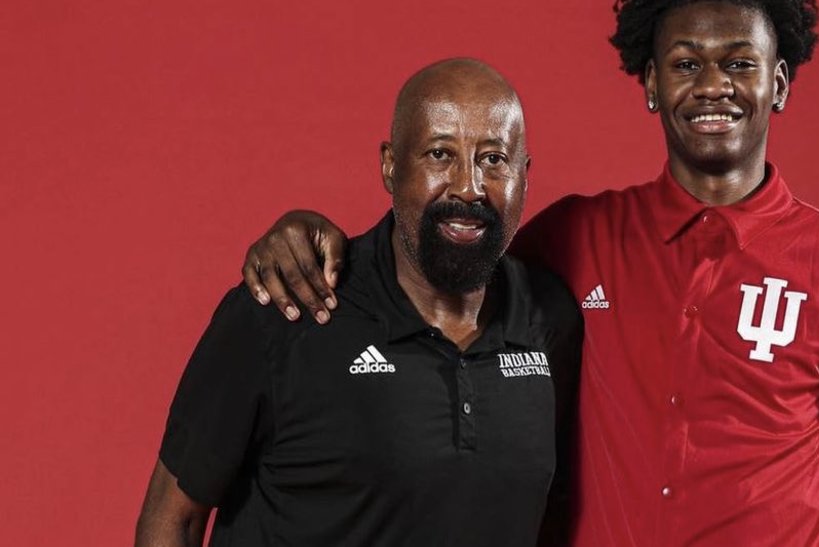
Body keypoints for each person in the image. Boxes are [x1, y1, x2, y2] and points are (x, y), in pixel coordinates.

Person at [242, 0, 819, 546]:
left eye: (739, 63)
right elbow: (445, 255)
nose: (712, 85)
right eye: (685, 63)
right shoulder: (578, 234)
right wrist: (307, 233)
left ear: (778, 83)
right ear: (650, 84)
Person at [136, 59, 583, 547]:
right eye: (439, 154)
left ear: (525, 175)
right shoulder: (289, 307)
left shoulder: (550, 318)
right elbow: (171, 520)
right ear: (390, 166)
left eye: (493, 159)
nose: (468, 186)